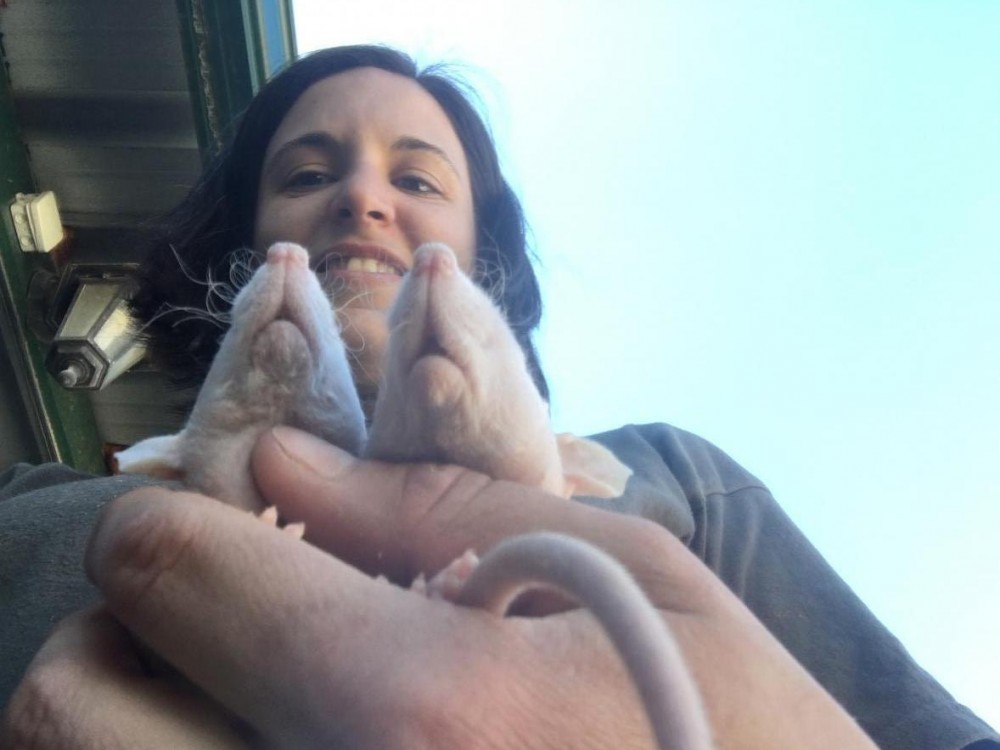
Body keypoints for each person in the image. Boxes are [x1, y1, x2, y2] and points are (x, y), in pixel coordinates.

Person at [1, 45, 996, 750]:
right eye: (306, 172)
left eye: (419, 180)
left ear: (484, 261)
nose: (362, 197)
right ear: (245, 245)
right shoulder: (31, 510)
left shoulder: (676, 481)